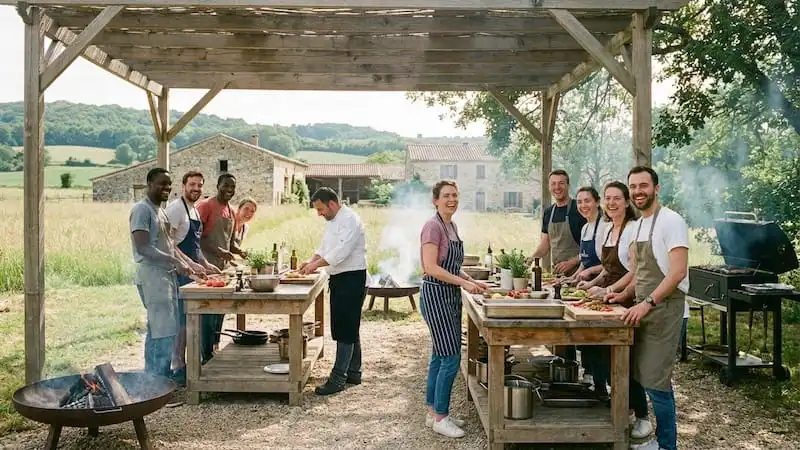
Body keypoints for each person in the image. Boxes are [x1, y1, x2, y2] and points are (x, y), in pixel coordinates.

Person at [606, 166, 689, 450]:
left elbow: (677, 272)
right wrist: (622, 295)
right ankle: (658, 439)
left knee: (658, 383)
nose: (638, 191)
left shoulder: (671, 221)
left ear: (656, 188)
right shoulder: (640, 224)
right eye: (634, 186)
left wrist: (647, 303)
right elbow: (641, 272)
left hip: (666, 311)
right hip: (644, 309)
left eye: (644, 185)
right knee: (643, 376)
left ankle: (667, 445)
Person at [419, 180, 488, 439]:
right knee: (450, 357)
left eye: (455, 195)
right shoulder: (432, 227)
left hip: (448, 295)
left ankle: (433, 413)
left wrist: (470, 280)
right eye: (446, 195)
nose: (452, 199)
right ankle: (441, 417)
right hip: (435, 294)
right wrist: (463, 284)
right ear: (435, 200)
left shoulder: (451, 225)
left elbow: (451, 266)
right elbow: (431, 267)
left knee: (439, 354)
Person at [299, 187, 368, 396]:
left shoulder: (350, 220)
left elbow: (340, 252)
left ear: (331, 204)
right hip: (340, 278)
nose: (319, 213)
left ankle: (338, 379)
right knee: (348, 326)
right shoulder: (333, 221)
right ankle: (354, 372)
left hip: (352, 278)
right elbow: (325, 247)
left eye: (320, 209)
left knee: (345, 329)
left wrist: (315, 266)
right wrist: (310, 262)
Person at [129, 168, 194, 378]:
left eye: (169, 184)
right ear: (149, 184)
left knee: (167, 329)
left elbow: (169, 245)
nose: (166, 188)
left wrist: (187, 262)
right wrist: (174, 261)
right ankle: (154, 381)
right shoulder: (142, 210)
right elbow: (143, 247)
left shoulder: (161, 211)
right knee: (159, 331)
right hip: (152, 276)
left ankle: (161, 379)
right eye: (161, 184)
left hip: (166, 275)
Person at [165, 171, 221, 385]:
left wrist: (205, 264)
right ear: (183, 186)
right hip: (177, 272)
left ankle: (187, 363)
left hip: (191, 273)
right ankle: (177, 365)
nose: (196, 188)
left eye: (199, 185)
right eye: (192, 184)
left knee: (189, 320)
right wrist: (188, 264)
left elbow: (195, 246)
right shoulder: (175, 209)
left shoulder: (194, 211)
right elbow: (168, 243)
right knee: (181, 321)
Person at [196, 173, 248, 362]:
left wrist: (239, 252)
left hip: (224, 270)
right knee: (208, 312)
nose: (229, 190)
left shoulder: (231, 211)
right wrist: (219, 251)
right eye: (225, 186)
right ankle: (205, 354)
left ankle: (214, 348)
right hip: (207, 266)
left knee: (220, 311)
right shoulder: (206, 206)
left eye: (232, 188)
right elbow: (197, 238)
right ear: (217, 185)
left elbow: (230, 243)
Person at [531, 169, 587, 276]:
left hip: (581, 273)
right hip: (558, 274)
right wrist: (531, 258)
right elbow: (545, 244)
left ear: (568, 185)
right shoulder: (548, 213)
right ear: (549, 187)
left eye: (561, 183)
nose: (557, 187)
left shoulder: (580, 209)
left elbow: (592, 247)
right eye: (553, 184)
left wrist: (572, 262)